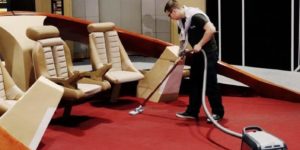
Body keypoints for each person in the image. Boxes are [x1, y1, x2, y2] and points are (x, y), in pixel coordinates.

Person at [164, 0, 224, 122]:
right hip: (198, 53)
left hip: (208, 53)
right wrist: (181, 52)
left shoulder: (195, 16)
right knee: (194, 81)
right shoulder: (181, 21)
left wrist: (200, 44)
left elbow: (211, 29)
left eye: (169, 15)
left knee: (210, 83)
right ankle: (192, 111)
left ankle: (218, 112)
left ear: (174, 11)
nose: (171, 18)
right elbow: (183, 38)